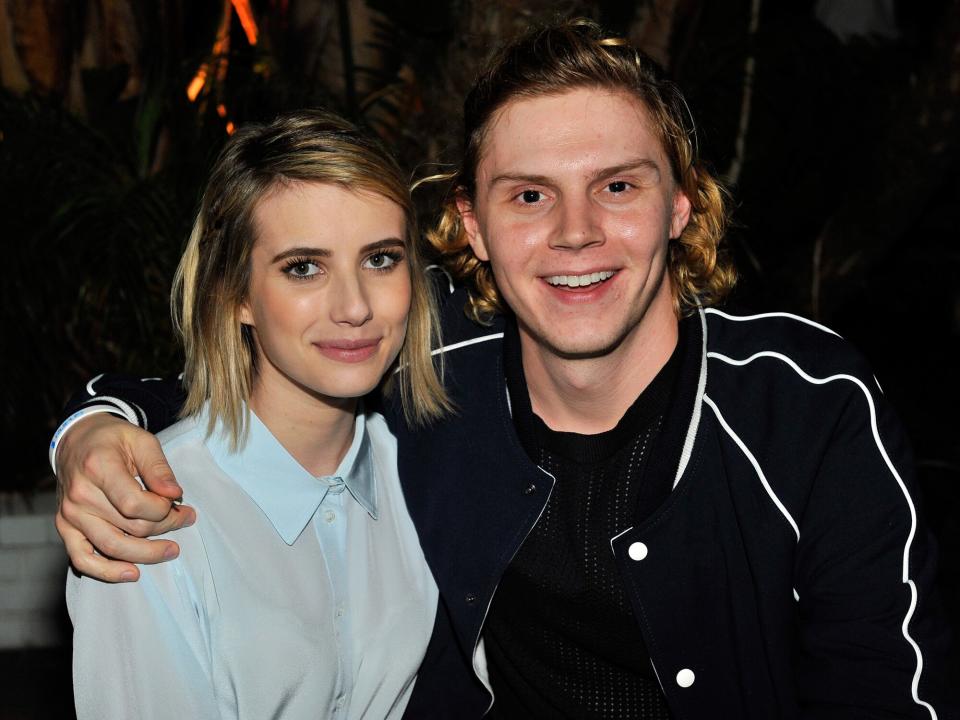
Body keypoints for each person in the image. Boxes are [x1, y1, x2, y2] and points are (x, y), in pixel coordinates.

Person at [52, 19, 957, 719]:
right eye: (529, 195)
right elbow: (256, 378)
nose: (575, 233)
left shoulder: (801, 403)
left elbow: (885, 689)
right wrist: (91, 427)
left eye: (618, 185)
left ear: (682, 203)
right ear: (471, 225)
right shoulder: (432, 356)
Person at [63, 109, 448, 719]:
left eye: (380, 259)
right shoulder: (144, 516)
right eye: (304, 267)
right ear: (235, 294)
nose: (354, 306)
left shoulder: (425, 470)